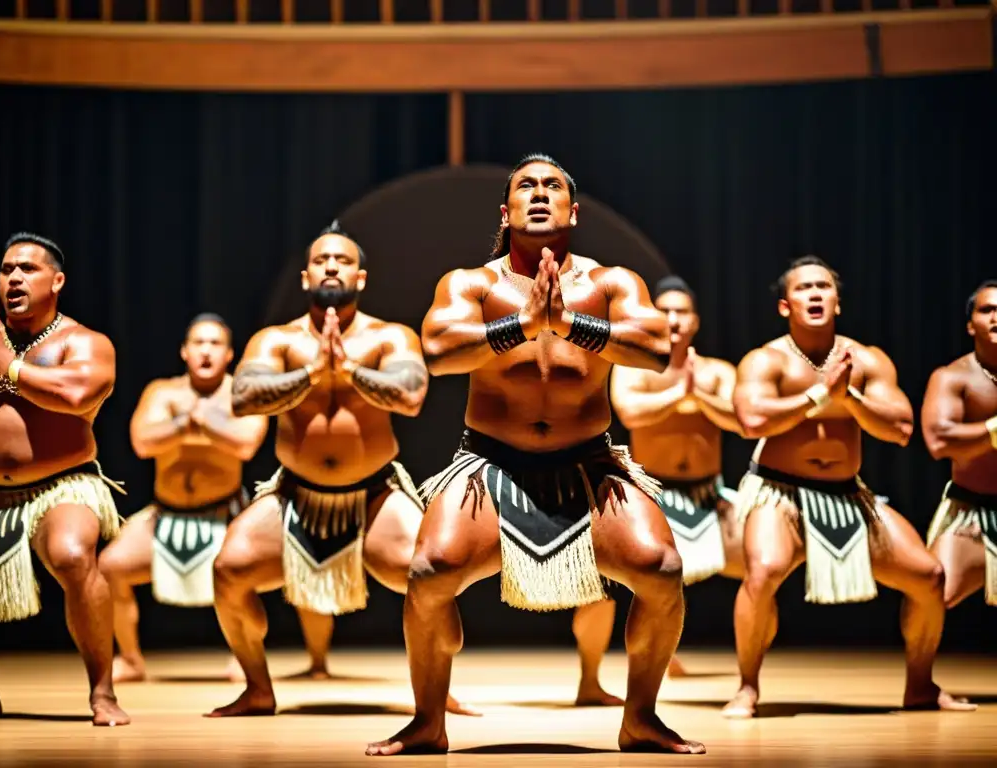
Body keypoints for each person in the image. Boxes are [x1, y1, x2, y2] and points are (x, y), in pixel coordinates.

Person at [366, 154, 704, 756]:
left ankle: (641, 719)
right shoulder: (471, 283)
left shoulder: (612, 283)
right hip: (491, 464)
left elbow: (654, 349)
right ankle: (427, 720)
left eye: (554, 187)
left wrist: (571, 324)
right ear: (506, 210)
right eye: (527, 186)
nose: (541, 194)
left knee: (662, 571)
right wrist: (521, 325)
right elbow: (440, 351)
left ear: (574, 210)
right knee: (428, 573)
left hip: (590, 465)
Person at [206, 222, 474, 717]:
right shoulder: (277, 341)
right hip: (295, 494)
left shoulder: (389, 336)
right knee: (228, 571)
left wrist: (347, 371)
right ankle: (257, 687)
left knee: (432, 575)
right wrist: (312, 373)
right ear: (306, 277)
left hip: (375, 494)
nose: (332, 266)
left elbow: (412, 396)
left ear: (362, 277)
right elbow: (242, 399)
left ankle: (436, 691)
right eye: (322, 260)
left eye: (343, 260)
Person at [724, 255, 974, 718]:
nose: (815, 294)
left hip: (847, 494)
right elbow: (751, 419)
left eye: (824, 287)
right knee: (763, 572)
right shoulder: (766, 359)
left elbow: (900, 428)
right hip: (779, 492)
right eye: (804, 288)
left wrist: (849, 397)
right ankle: (747, 687)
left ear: (838, 302)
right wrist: (820, 396)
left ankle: (921, 686)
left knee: (929, 577)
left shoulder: (866, 359)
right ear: (785, 306)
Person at [0, 233, 129, 726]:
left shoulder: (85, 342)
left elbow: (79, 394)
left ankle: (103, 692)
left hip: (62, 485)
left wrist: (10, 369)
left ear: (56, 281)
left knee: (71, 553)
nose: (13, 278)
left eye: (27, 269)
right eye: (5, 270)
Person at [98, 314, 267, 683]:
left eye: (215, 344)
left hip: (226, 514)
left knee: (249, 569)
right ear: (184, 352)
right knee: (111, 566)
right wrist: (190, 424)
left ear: (229, 354)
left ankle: (246, 656)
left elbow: (246, 444)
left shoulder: (244, 394)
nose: (206, 351)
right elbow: (143, 442)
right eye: (198, 343)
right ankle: (130, 659)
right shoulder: (163, 392)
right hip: (166, 515)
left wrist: (196, 424)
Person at [610, 275, 745, 677]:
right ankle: (596, 678)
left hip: (709, 495)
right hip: (650, 494)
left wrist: (697, 394)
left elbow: (741, 419)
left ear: (695, 321)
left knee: (763, 564)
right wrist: (680, 394)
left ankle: (749, 670)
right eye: (664, 311)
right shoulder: (634, 366)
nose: (672, 319)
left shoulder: (718, 372)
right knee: (614, 582)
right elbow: (631, 412)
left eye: (681, 312)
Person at [921, 279, 997, 609]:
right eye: (987, 310)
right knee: (932, 594)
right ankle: (918, 664)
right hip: (970, 512)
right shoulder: (954, 377)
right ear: (971, 325)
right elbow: (940, 441)